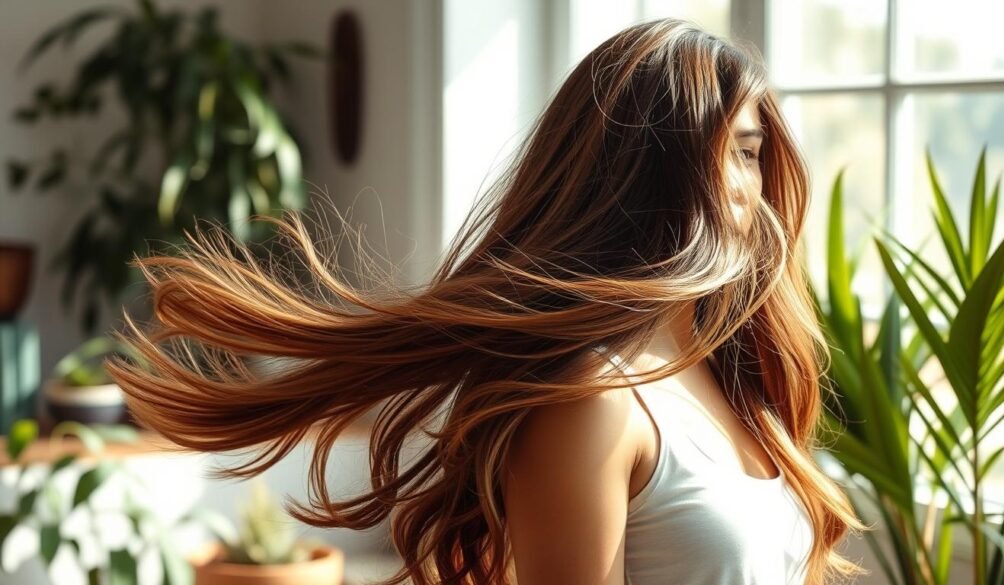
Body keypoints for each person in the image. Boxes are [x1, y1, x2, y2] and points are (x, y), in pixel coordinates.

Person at [105, 17, 868, 585]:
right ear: (650, 173)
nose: (750, 186)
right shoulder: (594, 403)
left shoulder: (734, 379)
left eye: (752, 151)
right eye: (728, 151)